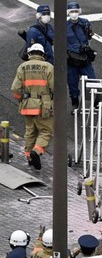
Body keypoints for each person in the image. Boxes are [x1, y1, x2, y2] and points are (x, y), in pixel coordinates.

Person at [11, 43, 54, 171]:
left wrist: (21, 99)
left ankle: (29, 157)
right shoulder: (48, 67)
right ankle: (37, 150)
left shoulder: (23, 67)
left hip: (28, 103)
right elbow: (54, 87)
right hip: (44, 105)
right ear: (42, 54)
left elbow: (15, 88)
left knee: (30, 131)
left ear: (30, 53)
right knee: (46, 131)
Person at [66, 1, 97, 110]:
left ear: (79, 12)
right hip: (71, 59)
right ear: (68, 13)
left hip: (84, 58)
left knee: (92, 80)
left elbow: (89, 38)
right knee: (72, 83)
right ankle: (75, 101)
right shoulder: (64, 26)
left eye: (76, 11)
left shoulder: (85, 23)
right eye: (72, 11)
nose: (74, 13)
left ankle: (96, 102)